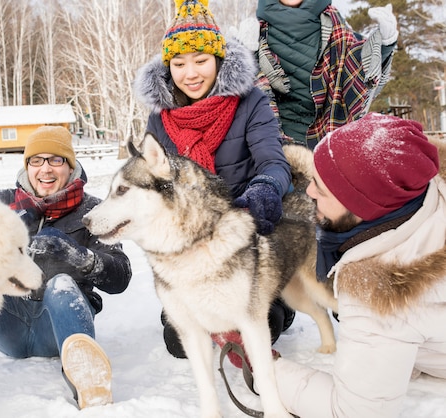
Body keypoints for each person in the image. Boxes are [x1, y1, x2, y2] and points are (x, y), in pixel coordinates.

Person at [133, 0, 294, 365]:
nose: (190, 73)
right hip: (192, 242)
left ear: (219, 60)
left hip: (247, 230)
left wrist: (265, 188)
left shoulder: (251, 102)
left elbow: (273, 160)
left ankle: (276, 301)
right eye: (179, 63)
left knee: (268, 320)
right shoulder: (159, 119)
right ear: (168, 66)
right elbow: (153, 179)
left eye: (201, 60)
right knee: (178, 341)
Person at [273, 112, 446, 417]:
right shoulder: (424, 185)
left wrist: (267, 370)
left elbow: (354, 412)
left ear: (364, 208)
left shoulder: (384, 297)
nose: (309, 192)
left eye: (321, 189)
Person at [0, 125, 132, 409]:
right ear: (27, 166)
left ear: (70, 165)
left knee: (60, 284)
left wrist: (79, 256)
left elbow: (121, 276)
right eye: (36, 161)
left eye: (56, 160)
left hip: (59, 330)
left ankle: (88, 383)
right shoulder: (6, 207)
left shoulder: (94, 211)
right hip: (10, 328)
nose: (46, 170)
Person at [236, 0, 398, 149]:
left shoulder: (336, 27)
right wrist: (243, 56)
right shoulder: (255, 31)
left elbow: (362, 77)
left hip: (330, 144)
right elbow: (240, 99)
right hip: (272, 146)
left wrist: (384, 44)